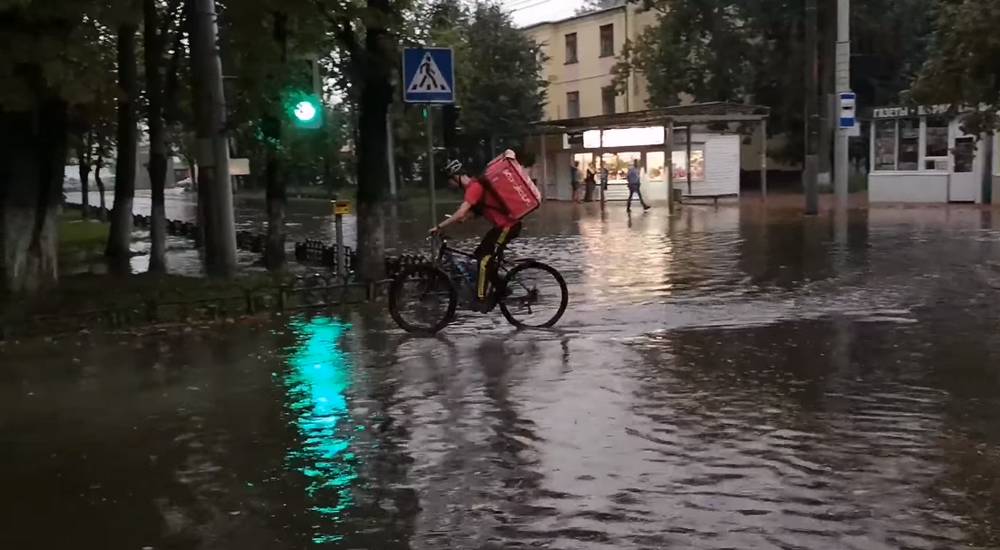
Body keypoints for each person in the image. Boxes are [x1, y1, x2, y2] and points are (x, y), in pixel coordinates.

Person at [430, 154, 522, 311]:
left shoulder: (474, 188)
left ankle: (481, 299)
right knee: (480, 254)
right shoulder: (475, 187)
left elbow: (460, 212)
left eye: (450, 180)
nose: (450, 184)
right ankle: (502, 288)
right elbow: (478, 210)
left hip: (508, 227)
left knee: (485, 261)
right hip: (501, 227)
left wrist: (439, 226)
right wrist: (464, 219)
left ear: (456, 177)